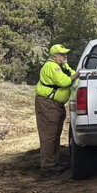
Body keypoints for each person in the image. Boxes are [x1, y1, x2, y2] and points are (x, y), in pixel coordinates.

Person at [34, 43, 77, 174]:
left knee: (55, 134)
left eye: (65, 54)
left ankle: (54, 161)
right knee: (49, 135)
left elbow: (71, 73)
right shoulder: (52, 67)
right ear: (54, 56)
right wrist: (79, 74)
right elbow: (65, 82)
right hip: (48, 104)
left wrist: (73, 72)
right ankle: (47, 166)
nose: (65, 56)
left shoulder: (61, 66)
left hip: (55, 105)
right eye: (62, 55)